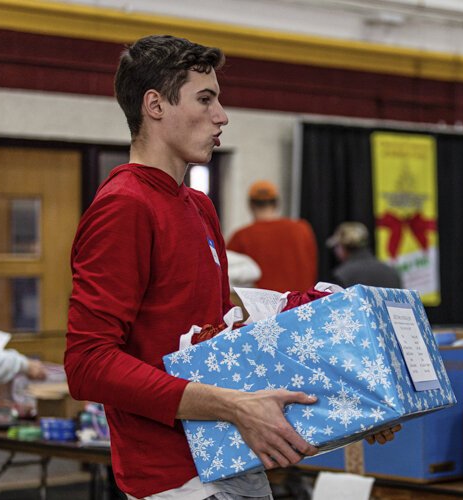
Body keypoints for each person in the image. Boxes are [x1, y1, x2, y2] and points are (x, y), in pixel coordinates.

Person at [65, 35, 398, 500]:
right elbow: (87, 364)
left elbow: (227, 339)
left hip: (229, 458)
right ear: (155, 105)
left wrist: (350, 402)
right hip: (174, 480)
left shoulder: (198, 206)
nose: (221, 116)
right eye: (205, 99)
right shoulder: (125, 207)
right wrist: (231, 406)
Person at [226, 181, 317, 293]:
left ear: (250, 205)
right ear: (276, 203)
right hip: (300, 306)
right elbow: (313, 270)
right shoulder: (302, 229)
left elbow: (226, 276)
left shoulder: (240, 237)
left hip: (262, 308)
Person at [327, 221, 403, 288]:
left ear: (343, 247)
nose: (335, 251)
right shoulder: (392, 273)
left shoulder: (341, 275)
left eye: (337, 246)